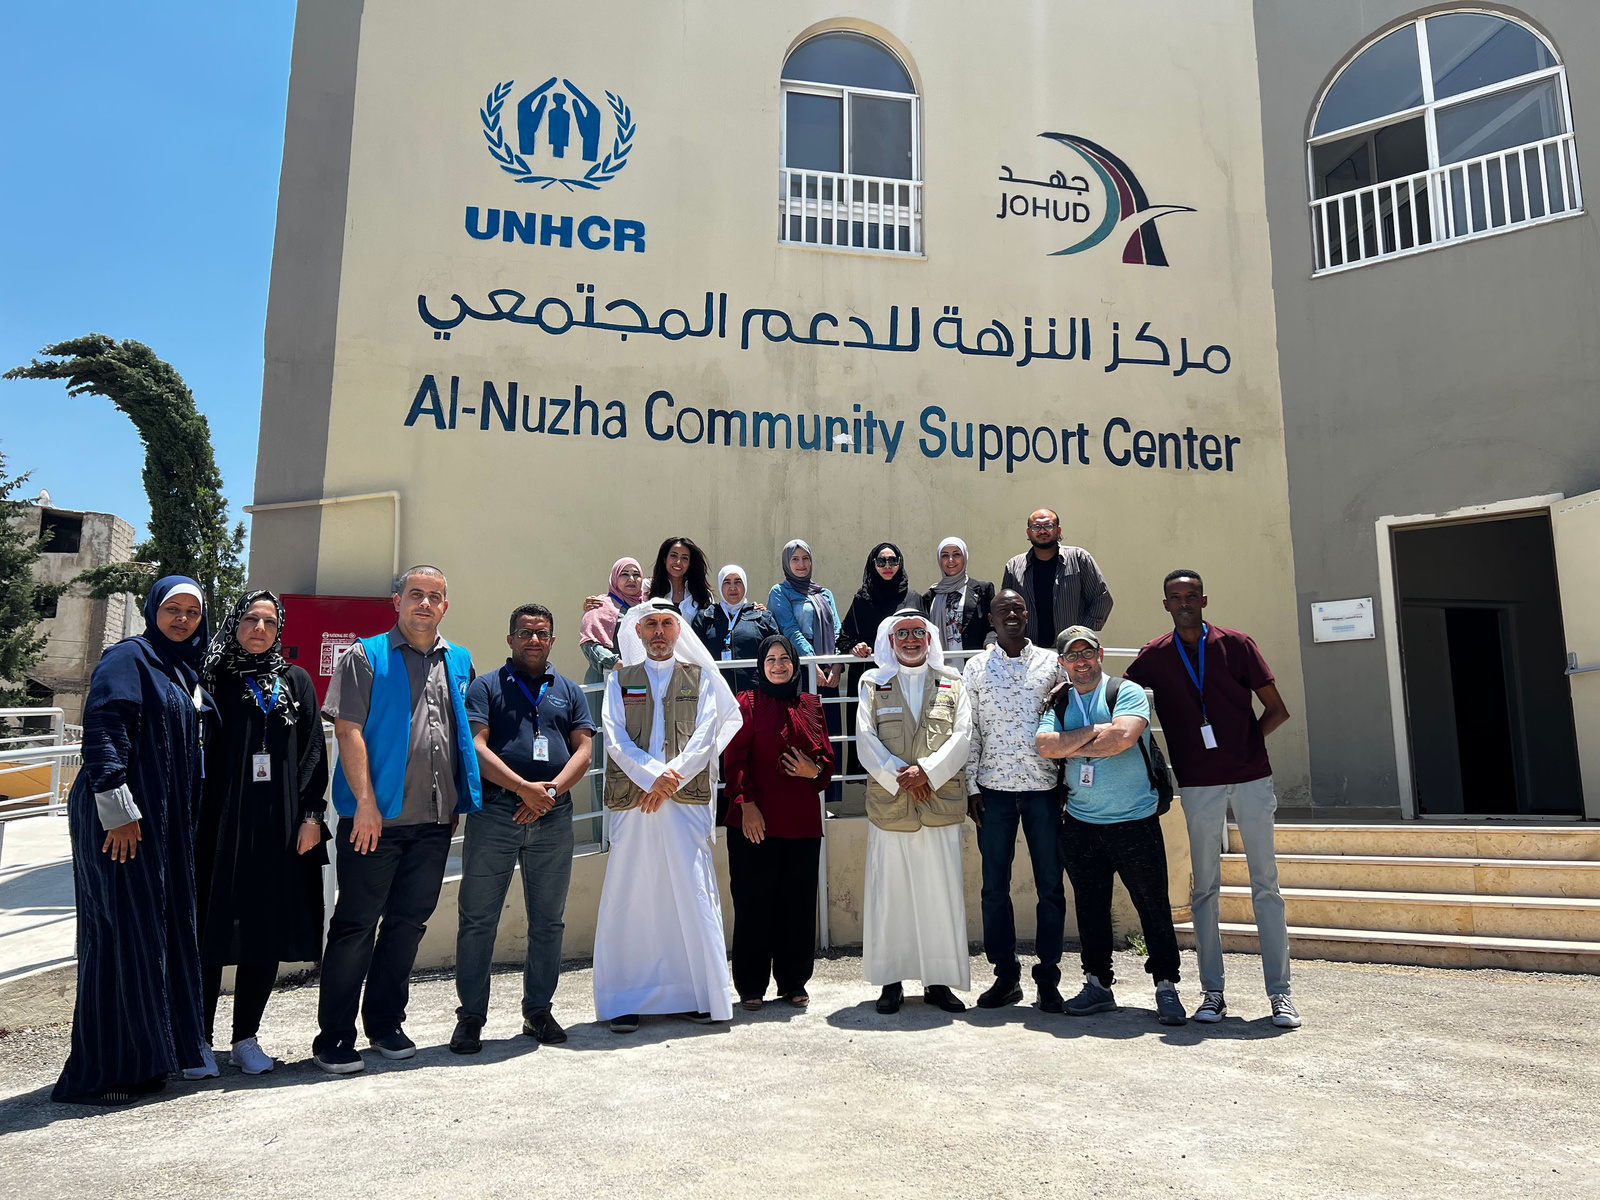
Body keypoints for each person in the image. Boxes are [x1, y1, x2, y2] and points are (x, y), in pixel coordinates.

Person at [314, 565, 482, 1074]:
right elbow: (348, 731)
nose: (425, 604)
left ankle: (385, 1023)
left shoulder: (460, 659)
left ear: (445, 606)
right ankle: (334, 1037)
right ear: (397, 601)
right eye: (416, 595)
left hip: (433, 823)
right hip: (375, 822)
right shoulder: (364, 655)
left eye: (435, 597)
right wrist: (365, 805)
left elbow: (456, 732)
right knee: (355, 926)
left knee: (407, 925)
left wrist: (455, 801)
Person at [52, 577, 211, 1105]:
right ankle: (100, 1074)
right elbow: (102, 727)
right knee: (118, 937)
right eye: (173, 609)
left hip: (158, 825)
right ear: (152, 611)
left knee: (151, 938)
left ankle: (145, 1062)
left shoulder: (180, 668)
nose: (182, 619)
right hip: (120, 820)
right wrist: (117, 811)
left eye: (192, 611)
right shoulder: (130, 657)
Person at [1124, 570, 1299, 1029]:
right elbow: (1119, 696)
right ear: (1165, 604)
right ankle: (1212, 993)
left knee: (1267, 885)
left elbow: (1277, 709)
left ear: (1204, 599)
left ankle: (1280, 995)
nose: (1183, 602)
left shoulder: (1237, 644)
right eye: (1174, 597)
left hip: (1250, 778)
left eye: (1190, 595)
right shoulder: (1155, 656)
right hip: (1198, 784)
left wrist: (1245, 745)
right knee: (1204, 890)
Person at [195, 591, 329, 1077]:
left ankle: (245, 1039)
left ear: (280, 629)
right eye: (250, 619)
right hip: (219, 825)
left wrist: (312, 816)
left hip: (280, 826)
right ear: (233, 624)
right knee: (210, 929)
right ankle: (199, 1040)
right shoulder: (209, 678)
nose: (259, 628)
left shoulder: (295, 680)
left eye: (269, 622)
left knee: (264, 930)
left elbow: (314, 750)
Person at [595, 597, 743, 1031]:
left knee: (691, 893)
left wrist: (668, 779)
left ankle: (697, 993)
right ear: (637, 632)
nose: (659, 632)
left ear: (679, 631)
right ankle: (625, 998)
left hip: (683, 802)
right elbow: (614, 736)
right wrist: (653, 778)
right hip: (636, 805)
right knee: (631, 893)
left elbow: (706, 734)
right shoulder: (620, 680)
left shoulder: (700, 679)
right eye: (651, 625)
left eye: (667, 624)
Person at [451, 603, 594, 1054]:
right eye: (525, 632)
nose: (534, 640)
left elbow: (584, 750)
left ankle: (538, 1011)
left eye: (542, 633)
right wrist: (522, 789)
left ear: (553, 640)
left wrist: (546, 795)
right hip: (495, 814)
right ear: (510, 638)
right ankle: (470, 1017)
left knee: (548, 922)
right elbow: (475, 746)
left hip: (553, 816)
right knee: (477, 920)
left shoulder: (569, 690)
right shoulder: (485, 686)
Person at [1037, 627, 1186, 1026]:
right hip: (1081, 824)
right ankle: (1097, 984)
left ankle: (1167, 987)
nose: (1081, 661)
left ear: (1100, 653)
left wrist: (1074, 742)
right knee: (1091, 908)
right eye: (1072, 656)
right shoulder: (1062, 698)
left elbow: (1122, 737)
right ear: (1061, 662)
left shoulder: (1127, 691)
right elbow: (1045, 746)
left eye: (1087, 653)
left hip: (1134, 820)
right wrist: (1092, 733)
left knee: (1152, 906)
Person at [856, 610, 974, 1015]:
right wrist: (901, 776)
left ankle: (939, 983)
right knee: (891, 896)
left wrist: (927, 772)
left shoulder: (953, 682)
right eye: (901, 633)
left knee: (939, 895)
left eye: (917, 634)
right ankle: (891, 982)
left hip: (938, 803)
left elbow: (962, 736)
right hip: (891, 807)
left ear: (929, 639)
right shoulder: (872, 682)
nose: (910, 640)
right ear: (890, 641)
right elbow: (865, 740)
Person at [962, 590, 1067, 1012]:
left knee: (1051, 888)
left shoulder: (1050, 662)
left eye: (1018, 608)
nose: (1011, 614)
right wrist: (971, 787)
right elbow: (969, 730)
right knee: (993, 890)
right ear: (991, 616)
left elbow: (1066, 716)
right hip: (994, 793)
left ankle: (1048, 980)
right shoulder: (976, 667)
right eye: (1002, 609)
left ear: (1028, 614)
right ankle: (1005, 976)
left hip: (1043, 790)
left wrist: (1064, 781)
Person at [721, 634, 834, 1009]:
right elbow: (733, 760)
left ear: (795, 664)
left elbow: (826, 763)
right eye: (770, 659)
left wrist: (811, 769)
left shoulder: (812, 705)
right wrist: (746, 804)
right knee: (754, 904)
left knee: (798, 905)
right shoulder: (747, 703)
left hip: (800, 823)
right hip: (755, 824)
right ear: (760, 666)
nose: (778, 665)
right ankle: (751, 986)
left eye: (785, 658)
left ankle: (794, 981)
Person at [767, 540, 843, 800]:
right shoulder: (780, 592)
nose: (801, 564)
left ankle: (830, 798)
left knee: (830, 733)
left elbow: (837, 630)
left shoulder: (825, 593)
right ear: (787, 563)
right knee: (806, 734)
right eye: (795, 559)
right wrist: (813, 663)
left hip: (827, 674)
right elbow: (788, 629)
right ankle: (807, 796)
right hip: (802, 673)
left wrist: (837, 664)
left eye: (805, 559)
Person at [1001, 509, 1114, 651]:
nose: (1042, 531)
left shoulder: (1079, 558)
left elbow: (1101, 598)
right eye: (1036, 527)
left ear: (1058, 530)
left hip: (1071, 652)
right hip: (1029, 653)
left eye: (1048, 526)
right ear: (1028, 533)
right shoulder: (1014, 566)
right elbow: (1004, 608)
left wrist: (1080, 634)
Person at [692, 564, 780, 693]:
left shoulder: (762, 617)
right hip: (716, 694)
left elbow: (777, 652)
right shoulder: (705, 617)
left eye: (738, 581)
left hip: (755, 695)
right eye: (727, 582)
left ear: (745, 584)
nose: (732, 587)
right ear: (720, 585)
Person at [578, 557, 645, 689]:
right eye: (624, 574)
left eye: (636, 575)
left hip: (638, 680)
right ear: (615, 578)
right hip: (605, 679)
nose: (631, 579)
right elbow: (588, 643)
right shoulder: (599, 606)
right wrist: (614, 663)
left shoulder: (646, 608)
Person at [922, 537, 996, 652]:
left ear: (964, 558)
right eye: (945, 556)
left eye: (956, 555)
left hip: (974, 663)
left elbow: (993, 626)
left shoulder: (983, 589)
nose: (950, 560)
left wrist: (990, 644)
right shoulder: (931, 595)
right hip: (942, 665)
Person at [647, 535, 713, 627]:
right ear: (665, 559)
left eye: (684, 558)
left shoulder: (703, 594)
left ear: (689, 564)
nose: (678, 562)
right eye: (673, 556)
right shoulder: (648, 588)